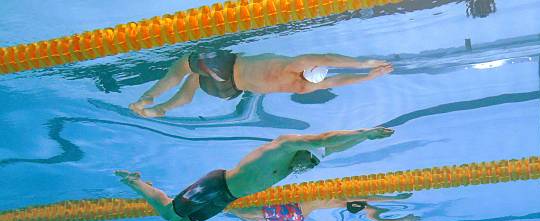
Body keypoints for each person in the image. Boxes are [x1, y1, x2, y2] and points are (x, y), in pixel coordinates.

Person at [115, 127, 394, 221]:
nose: (308, 168)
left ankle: (143, 186)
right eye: (310, 161)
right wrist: (365, 132)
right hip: (217, 185)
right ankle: (136, 181)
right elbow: (325, 138)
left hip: (228, 197)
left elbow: (331, 147)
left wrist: (364, 141)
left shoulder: (298, 162)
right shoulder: (285, 145)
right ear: (304, 151)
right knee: (168, 214)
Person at [129, 50, 393, 117]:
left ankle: (149, 98)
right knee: (192, 86)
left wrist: (362, 64)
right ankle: (164, 109)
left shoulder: (294, 64)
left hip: (225, 67)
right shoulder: (304, 87)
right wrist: (367, 79)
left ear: (307, 67)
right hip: (230, 91)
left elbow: (327, 59)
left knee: (180, 68)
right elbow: (337, 80)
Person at [227, 192, 417, 221]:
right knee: (250, 216)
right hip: (297, 213)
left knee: (248, 215)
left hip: (295, 211)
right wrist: (394, 198)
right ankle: (225, 208)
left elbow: (375, 215)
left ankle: (223, 208)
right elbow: (376, 215)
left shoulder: (351, 200)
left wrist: (401, 218)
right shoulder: (350, 202)